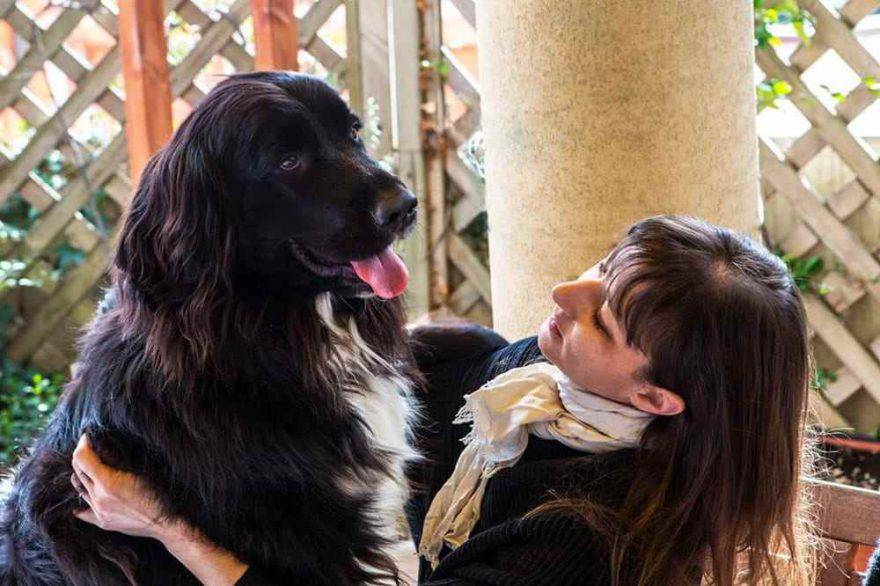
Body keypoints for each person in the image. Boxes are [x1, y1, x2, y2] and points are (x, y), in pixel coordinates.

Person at [69, 216, 819, 585]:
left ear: (654, 398)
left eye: (604, 314)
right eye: (600, 266)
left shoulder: (586, 543)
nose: (565, 292)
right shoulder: (534, 378)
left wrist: (169, 528)